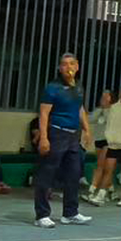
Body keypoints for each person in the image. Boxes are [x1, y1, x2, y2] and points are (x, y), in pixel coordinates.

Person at [33, 53, 93, 228]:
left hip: (73, 136)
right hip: (56, 133)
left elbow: (80, 108)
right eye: (64, 64)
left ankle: (70, 213)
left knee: (74, 174)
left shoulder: (79, 87)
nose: (68, 67)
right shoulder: (52, 88)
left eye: (71, 64)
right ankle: (42, 215)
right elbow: (44, 113)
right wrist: (44, 138)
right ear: (60, 68)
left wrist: (87, 129)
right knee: (46, 174)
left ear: (77, 66)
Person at [85, 89, 114, 201]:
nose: (104, 99)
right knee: (103, 166)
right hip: (98, 139)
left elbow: (111, 121)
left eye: (107, 97)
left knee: (100, 165)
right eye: (102, 96)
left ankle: (92, 190)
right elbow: (90, 119)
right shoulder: (98, 110)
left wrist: (105, 110)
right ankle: (110, 189)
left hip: (108, 140)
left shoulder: (113, 110)